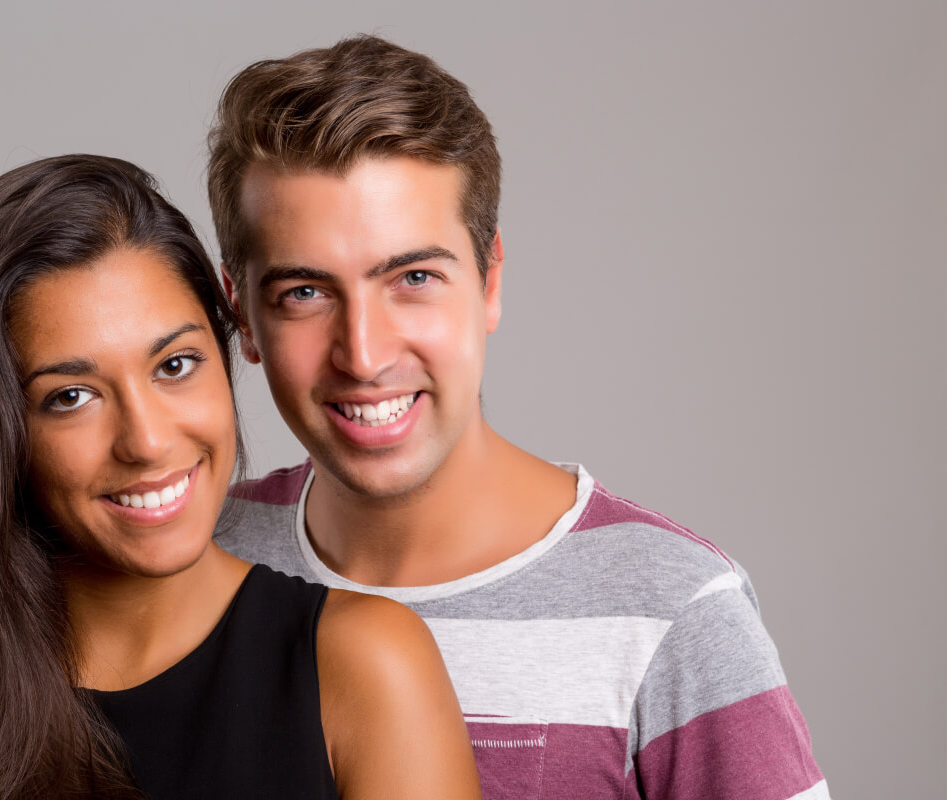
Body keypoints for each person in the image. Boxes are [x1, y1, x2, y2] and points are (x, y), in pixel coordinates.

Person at [208, 35, 830, 799]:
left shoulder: (671, 611)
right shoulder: (197, 561)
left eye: (413, 277)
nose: (363, 354)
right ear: (242, 316)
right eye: (304, 292)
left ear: (490, 280)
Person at [0, 155, 481, 800]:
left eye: (175, 365)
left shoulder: (364, 666)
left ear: (227, 347)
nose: (146, 442)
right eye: (70, 397)